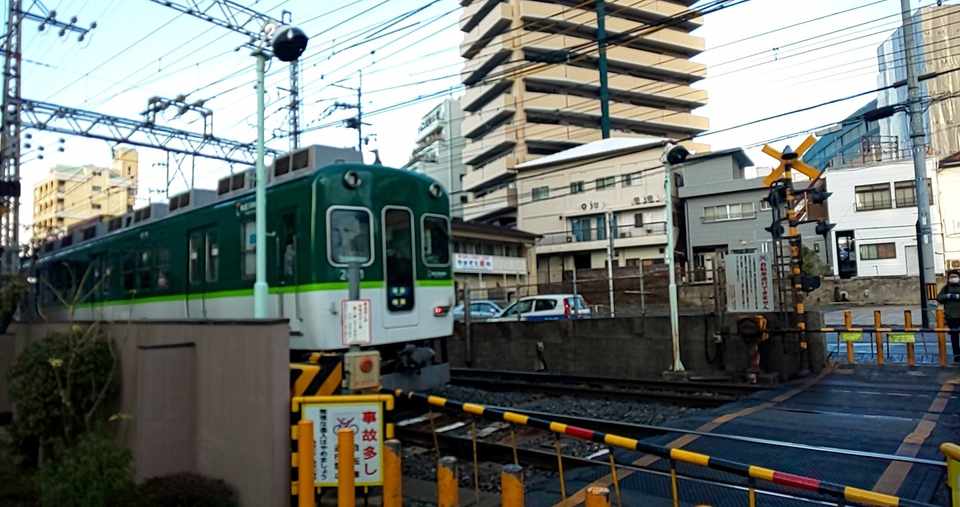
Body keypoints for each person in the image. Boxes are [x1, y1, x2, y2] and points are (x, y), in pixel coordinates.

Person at [938, 270, 960, 362]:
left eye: (955, 276)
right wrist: (947, 296)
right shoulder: (946, 288)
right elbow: (939, 298)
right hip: (951, 317)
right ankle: (957, 355)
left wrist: (957, 296)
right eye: (951, 277)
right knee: (954, 337)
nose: (953, 278)